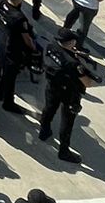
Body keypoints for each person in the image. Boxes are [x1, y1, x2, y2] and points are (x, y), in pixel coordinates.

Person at [38, 29, 95, 161]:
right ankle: (64, 151)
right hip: (69, 93)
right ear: (70, 42)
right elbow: (88, 83)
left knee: (49, 109)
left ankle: (44, 131)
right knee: (67, 122)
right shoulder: (73, 64)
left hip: (52, 86)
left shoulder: (51, 46)